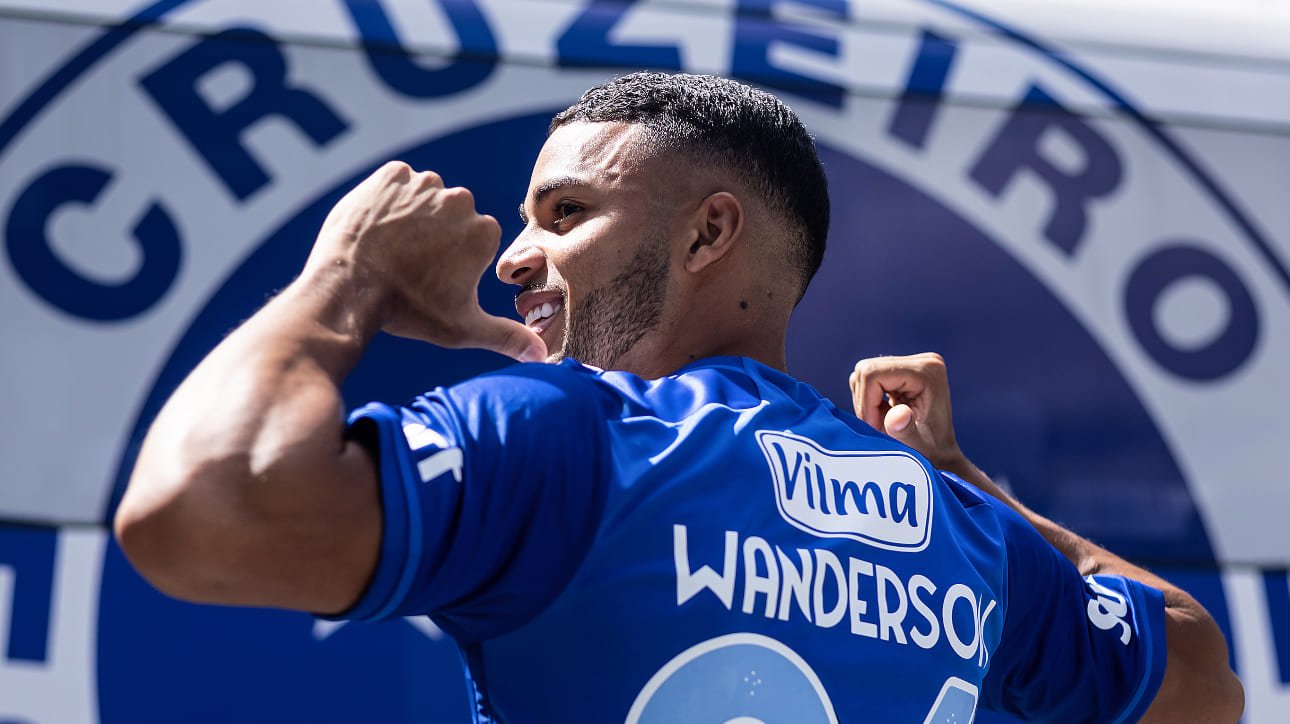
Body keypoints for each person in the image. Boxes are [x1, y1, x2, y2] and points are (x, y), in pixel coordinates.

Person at [115, 72, 1242, 722]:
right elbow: (1201, 680)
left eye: (564, 216)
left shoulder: (574, 445)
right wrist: (965, 485)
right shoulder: (964, 536)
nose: (514, 255)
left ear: (710, 232)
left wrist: (344, 275)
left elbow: (200, 513)